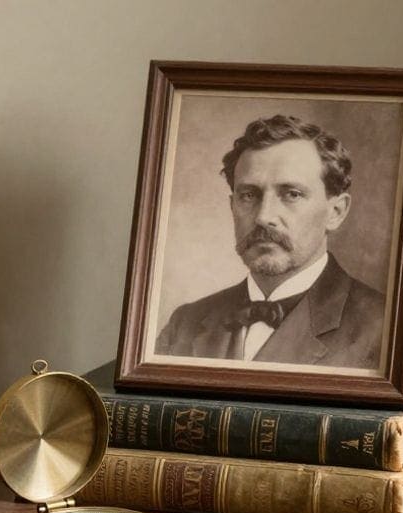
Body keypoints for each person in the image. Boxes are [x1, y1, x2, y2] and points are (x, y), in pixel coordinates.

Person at [153, 114, 386, 368]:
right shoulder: (185, 323)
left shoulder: (382, 326)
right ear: (232, 206)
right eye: (249, 195)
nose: (263, 217)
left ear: (336, 212)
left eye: (292, 194)